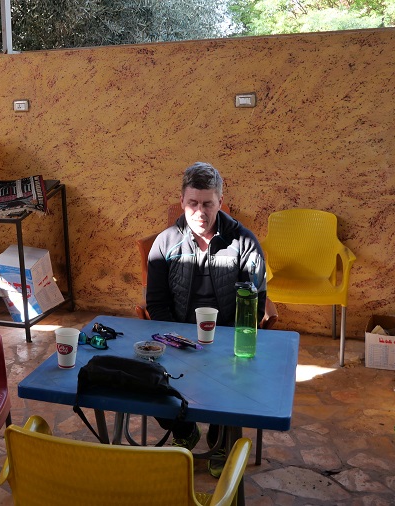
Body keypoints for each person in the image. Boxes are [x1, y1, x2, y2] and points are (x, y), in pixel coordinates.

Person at [145, 161, 267, 477]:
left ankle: (220, 438)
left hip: (226, 339)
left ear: (220, 202)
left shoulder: (245, 243)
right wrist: (175, 340)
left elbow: (253, 306)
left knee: (235, 378)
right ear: (182, 202)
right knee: (146, 378)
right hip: (178, 337)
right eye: (193, 203)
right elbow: (156, 303)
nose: (200, 212)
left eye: (208, 204)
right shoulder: (165, 243)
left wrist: (229, 344)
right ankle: (184, 430)